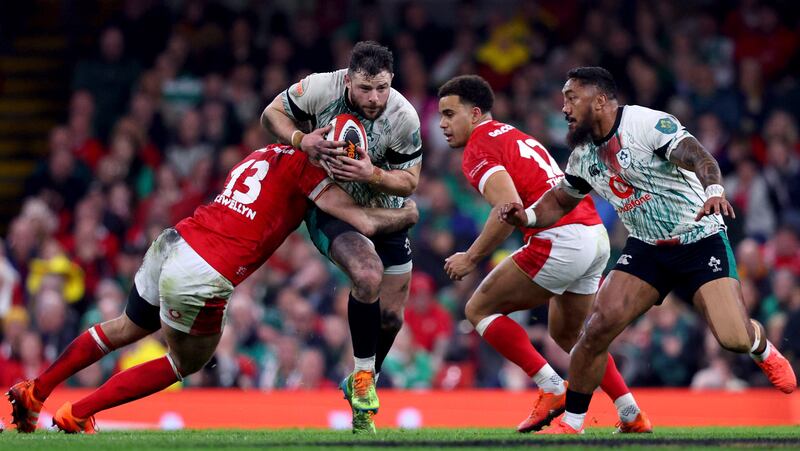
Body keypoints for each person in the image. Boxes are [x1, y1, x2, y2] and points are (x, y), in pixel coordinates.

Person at [6, 142, 418, 434]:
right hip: (202, 272)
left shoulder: (261, 153)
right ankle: (78, 412)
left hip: (174, 241)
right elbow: (363, 223)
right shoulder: (309, 172)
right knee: (186, 362)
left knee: (125, 327)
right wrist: (406, 211)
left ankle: (36, 390)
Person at [500, 67, 797, 434]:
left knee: (732, 338)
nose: (564, 107)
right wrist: (526, 215)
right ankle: (573, 423)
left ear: (601, 100)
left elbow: (701, 159)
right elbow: (561, 200)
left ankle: (762, 348)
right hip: (647, 248)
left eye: (571, 97)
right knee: (595, 330)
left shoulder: (646, 124)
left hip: (699, 238)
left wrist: (715, 192)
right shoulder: (582, 156)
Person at [437, 75, 650, 433]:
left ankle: (551, 388)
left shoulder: (478, 147)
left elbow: (508, 206)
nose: (442, 123)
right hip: (593, 235)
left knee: (478, 310)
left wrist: (471, 258)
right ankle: (631, 413)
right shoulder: (511, 133)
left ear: (475, 114)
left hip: (559, 239)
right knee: (570, 337)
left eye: (449, 113)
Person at [261, 41, 422, 433]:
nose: (374, 97)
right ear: (348, 80)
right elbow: (271, 114)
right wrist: (303, 141)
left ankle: (361, 381)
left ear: (391, 82)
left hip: (383, 208)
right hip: (330, 203)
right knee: (368, 276)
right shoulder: (321, 88)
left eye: (382, 88)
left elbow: (411, 183)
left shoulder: (404, 117)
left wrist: (374, 175)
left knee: (392, 317)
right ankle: (365, 380)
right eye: (365, 88)